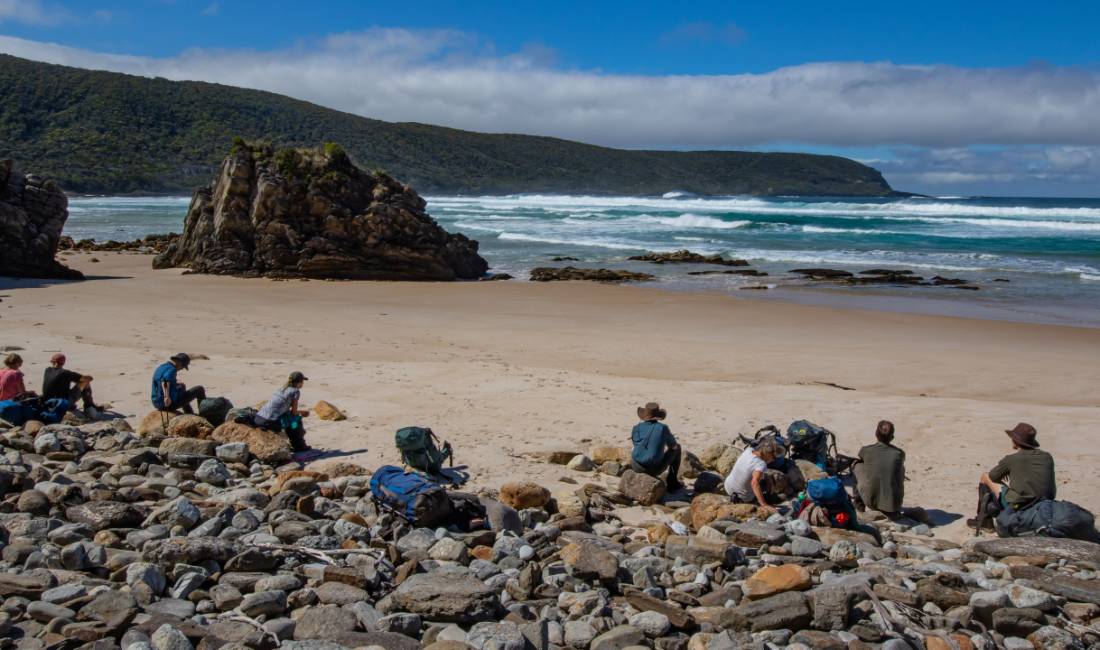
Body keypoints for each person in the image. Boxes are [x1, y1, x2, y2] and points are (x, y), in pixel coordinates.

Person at [980, 422, 1056, 512]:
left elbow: (993, 476)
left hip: (1020, 505)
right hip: (1046, 504)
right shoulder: (1047, 457)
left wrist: (1006, 472)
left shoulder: (1012, 459)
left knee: (985, 477)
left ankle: (984, 520)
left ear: (1015, 441)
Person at [854, 420, 906, 516]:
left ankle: (859, 505)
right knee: (900, 468)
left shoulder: (866, 450)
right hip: (895, 505)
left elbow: (861, 456)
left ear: (876, 434)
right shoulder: (899, 453)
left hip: (872, 503)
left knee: (857, 466)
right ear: (892, 437)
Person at [629, 402, 683, 492]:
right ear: (658, 416)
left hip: (636, 466)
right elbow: (673, 446)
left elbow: (636, 445)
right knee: (678, 448)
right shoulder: (662, 428)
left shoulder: (636, 428)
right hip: (653, 469)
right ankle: (672, 482)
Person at [254, 371, 310, 452]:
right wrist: (303, 412)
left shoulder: (282, 389)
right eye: (302, 381)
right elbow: (294, 413)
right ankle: (299, 445)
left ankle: (295, 442)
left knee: (289, 418)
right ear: (299, 382)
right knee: (295, 421)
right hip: (269, 422)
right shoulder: (295, 391)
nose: (303, 383)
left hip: (259, 418)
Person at [724, 438, 782, 514]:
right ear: (768, 453)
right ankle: (765, 499)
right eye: (774, 457)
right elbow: (754, 483)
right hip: (743, 498)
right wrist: (764, 504)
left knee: (765, 476)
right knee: (767, 481)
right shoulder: (761, 464)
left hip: (728, 487)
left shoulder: (748, 450)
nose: (774, 460)